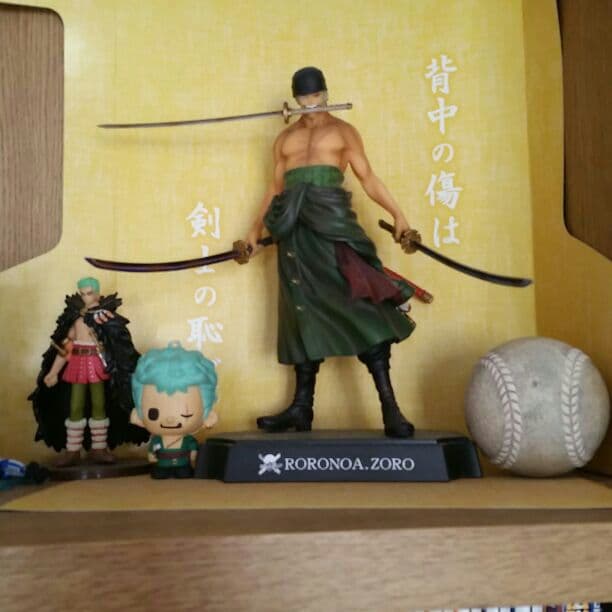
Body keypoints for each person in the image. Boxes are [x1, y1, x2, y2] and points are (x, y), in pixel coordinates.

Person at [246, 67, 416, 438]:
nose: (309, 103)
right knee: (301, 311)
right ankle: (301, 407)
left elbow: (368, 177)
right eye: (302, 98)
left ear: (325, 94)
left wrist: (399, 215)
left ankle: (390, 409)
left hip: (332, 225)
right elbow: (275, 189)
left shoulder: (343, 132)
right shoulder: (285, 139)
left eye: (315, 96)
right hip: (293, 231)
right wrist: (254, 231)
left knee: (362, 307)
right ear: (294, 100)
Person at [29, 277, 148, 465]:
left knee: (99, 404)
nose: (86, 297)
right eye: (82, 293)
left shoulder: (105, 317)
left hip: (97, 363)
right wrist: (53, 372)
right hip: (77, 364)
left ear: (97, 294)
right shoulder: (77, 320)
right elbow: (66, 349)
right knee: (75, 405)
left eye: (89, 293)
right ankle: (72, 450)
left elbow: (116, 342)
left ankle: (99, 448)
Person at [130, 342, 218, 478]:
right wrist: (152, 455)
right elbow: (152, 452)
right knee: (160, 474)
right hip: (162, 464)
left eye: (186, 414)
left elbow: (193, 450)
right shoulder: (157, 441)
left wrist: (193, 455)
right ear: (137, 415)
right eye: (154, 414)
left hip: (183, 464)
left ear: (208, 417)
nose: (170, 419)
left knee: (184, 473)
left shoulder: (188, 441)